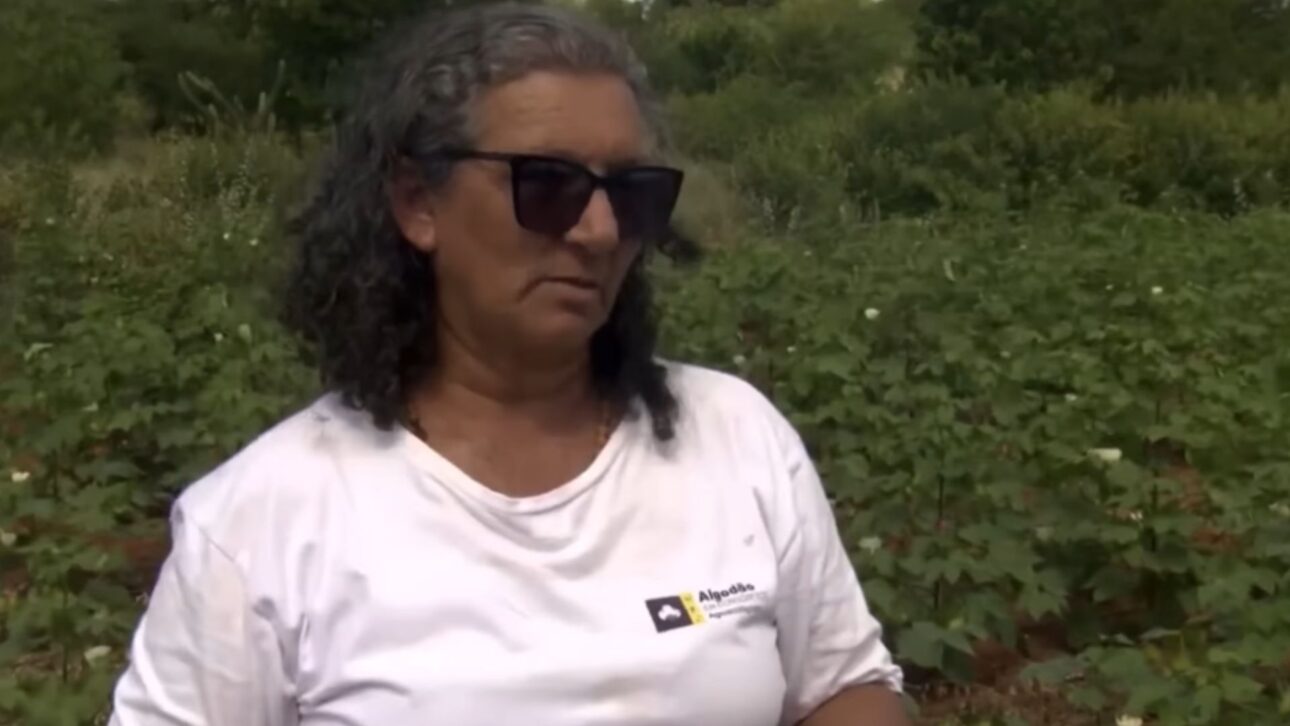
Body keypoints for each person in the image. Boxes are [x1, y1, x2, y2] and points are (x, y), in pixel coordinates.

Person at [106, 3, 908, 724]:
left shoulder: (735, 436)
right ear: (418, 203)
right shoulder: (262, 523)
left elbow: (844, 686)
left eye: (631, 193)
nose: (599, 231)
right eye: (548, 185)